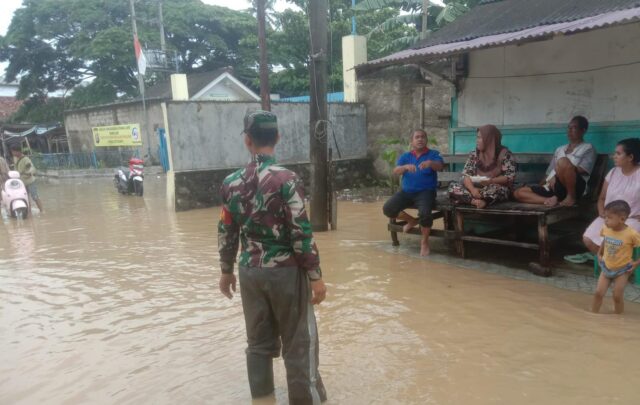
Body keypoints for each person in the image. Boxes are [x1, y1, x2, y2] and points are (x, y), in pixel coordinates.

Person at [217, 110, 327, 404]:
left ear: (247, 140)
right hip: (286, 273)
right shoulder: (287, 179)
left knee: (258, 343)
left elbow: (226, 229)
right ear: (277, 137)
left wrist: (226, 270)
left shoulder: (230, 182)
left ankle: (262, 398)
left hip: (250, 272)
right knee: (298, 343)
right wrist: (315, 276)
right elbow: (301, 233)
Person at [382, 129, 444, 256]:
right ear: (412, 141)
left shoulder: (433, 154)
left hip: (426, 192)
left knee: (425, 214)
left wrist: (430, 163)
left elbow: (440, 166)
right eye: (417, 137)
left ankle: (424, 242)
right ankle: (411, 221)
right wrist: (405, 167)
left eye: (423, 137)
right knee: (388, 209)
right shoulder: (406, 156)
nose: (420, 139)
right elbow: (396, 171)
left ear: (426, 140)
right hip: (407, 192)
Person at [514, 116, 596, 207]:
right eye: (569, 128)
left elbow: (583, 169)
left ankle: (571, 197)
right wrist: (541, 185)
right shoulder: (560, 149)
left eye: (574, 128)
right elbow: (549, 173)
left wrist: (557, 175)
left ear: (583, 130)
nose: (569, 131)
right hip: (554, 187)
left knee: (563, 161)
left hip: (573, 187)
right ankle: (550, 200)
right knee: (519, 192)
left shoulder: (588, 148)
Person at [582, 138, 640, 256]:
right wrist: (602, 212)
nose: (614, 156)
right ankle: (611, 267)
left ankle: (617, 270)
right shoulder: (613, 172)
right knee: (588, 239)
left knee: (616, 243)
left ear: (630, 157)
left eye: (618, 153)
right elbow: (602, 198)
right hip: (608, 217)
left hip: (631, 219)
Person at [448, 125, 516, 209]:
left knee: (497, 189)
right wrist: (472, 189)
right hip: (475, 188)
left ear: (489, 139)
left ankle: (477, 200)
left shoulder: (505, 154)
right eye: (477, 138)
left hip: (493, 187)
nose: (477, 141)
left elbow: (509, 177)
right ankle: (475, 201)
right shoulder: (474, 154)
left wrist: (491, 181)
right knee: (453, 186)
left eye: (480, 138)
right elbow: (466, 176)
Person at [591, 200, 640, 314]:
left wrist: (637, 263)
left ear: (622, 219)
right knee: (598, 293)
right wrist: (599, 253)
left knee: (617, 296)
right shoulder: (606, 228)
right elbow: (605, 240)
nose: (605, 220)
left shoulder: (632, 234)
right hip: (606, 267)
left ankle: (618, 318)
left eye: (609, 217)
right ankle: (593, 314)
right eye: (605, 217)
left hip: (622, 270)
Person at [10, 144, 43, 213]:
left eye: (13, 151)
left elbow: (31, 167)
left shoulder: (26, 159)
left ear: (18, 151)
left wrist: (29, 172)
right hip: (21, 183)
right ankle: (29, 212)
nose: (12, 153)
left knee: (35, 197)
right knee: (26, 198)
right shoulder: (15, 158)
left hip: (30, 181)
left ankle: (42, 211)